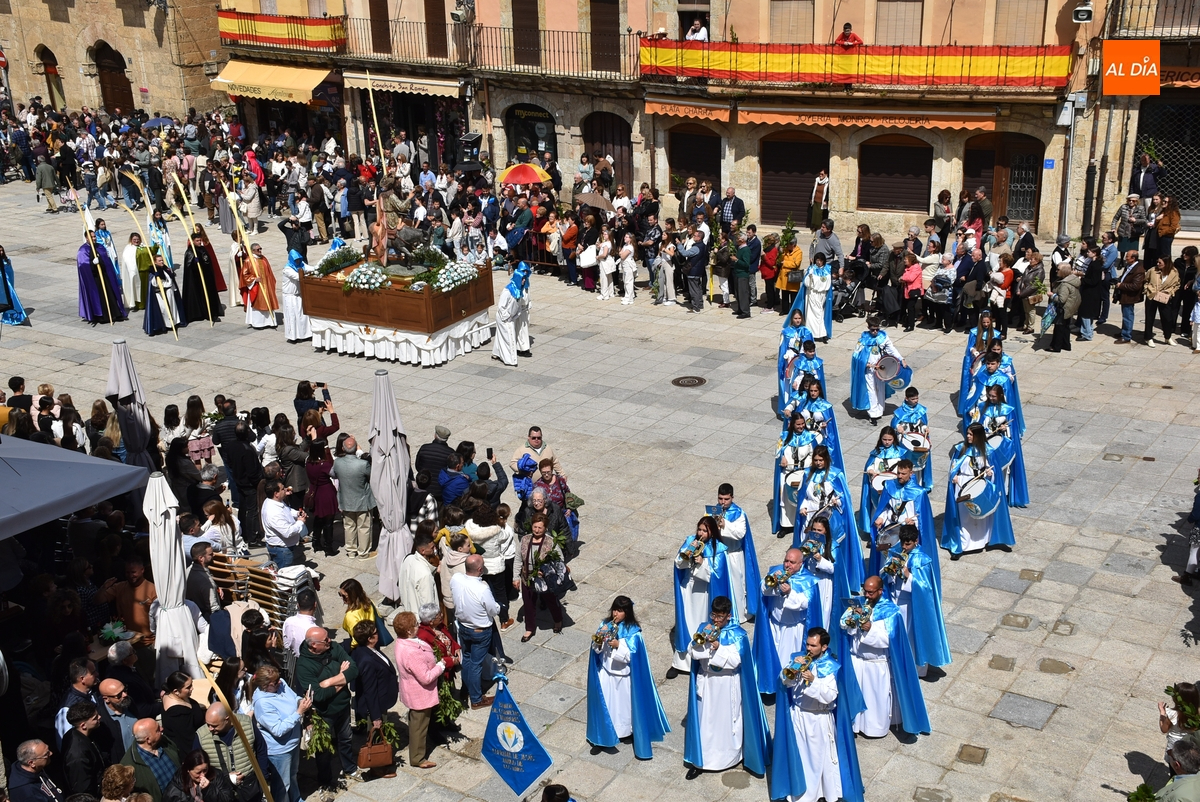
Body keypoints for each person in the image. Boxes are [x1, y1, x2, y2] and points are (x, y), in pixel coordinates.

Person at [768, 627, 864, 802]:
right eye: (807, 644)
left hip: (818, 718)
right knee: (801, 758)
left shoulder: (831, 667)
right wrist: (790, 669)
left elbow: (830, 695)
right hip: (799, 715)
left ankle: (822, 793)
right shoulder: (799, 659)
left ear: (824, 647)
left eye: (813, 645)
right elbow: (784, 682)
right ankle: (800, 793)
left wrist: (813, 681)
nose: (809, 649)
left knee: (819, 759)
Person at [682, 596, 769, 780]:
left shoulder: (738, 634)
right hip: (707, 682)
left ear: (728, 616)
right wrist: (703, 642)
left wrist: (718, 647)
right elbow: (692, 652)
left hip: (727, 683)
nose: (715, 620)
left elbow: (736, 660)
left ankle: (729, 758)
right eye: (713, 615)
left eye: (720, 617)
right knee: (705, 722)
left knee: (728, 721)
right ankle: (701, 761)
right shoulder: (703, 628)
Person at [838, 576, 929, 737]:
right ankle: (855, 725)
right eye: (865, 591)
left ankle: (875, 729)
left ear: (880, 591)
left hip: (876, 663)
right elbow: (843, 624)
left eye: (871, 592)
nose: (866, 595)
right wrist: (851, 620)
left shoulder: (891, 612)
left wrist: (869, 628)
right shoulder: (857, 603)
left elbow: (888, 640)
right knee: (855, 694)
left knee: (875, 700)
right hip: (856, 660)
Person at [585, 596, 670, 759]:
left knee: (624, 708)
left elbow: (633, 656)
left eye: (620, 611)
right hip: (606, 673)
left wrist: (618, 645)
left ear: (627, 612)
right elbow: (596, 650)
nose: (616, 613)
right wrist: (600, 640)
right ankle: (602, 738)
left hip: (623, 677)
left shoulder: (634, 632)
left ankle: (627, 732)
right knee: (607, 706)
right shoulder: (605, 624)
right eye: (615, 610)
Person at [293, 627, 364, 790]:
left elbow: (353, 669)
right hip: (323, 714)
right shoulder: (304, 666)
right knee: (323, 750)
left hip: (343, 705)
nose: (330, 641)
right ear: (313, 646)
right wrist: (342, 678)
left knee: (346, 739)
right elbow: (318, 696)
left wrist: (329, 682)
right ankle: (325, 782)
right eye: (325, 640)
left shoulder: (333, 647)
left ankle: (350, 769)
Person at [879, 525, 950, 678]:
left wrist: (907, 575)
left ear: (916, 541)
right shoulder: (897, 552)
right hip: (895, 600)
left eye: (908, 544)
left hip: (912, 604)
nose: (904, 547)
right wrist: (890, 572)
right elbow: (885, 575)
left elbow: (925, 587)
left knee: (912, 636)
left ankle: (916, 669)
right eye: (903, 542)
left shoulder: (922, 560)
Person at [751, 548, 820, 695]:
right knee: (772, 656)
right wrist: (773, 585)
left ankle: (787, 689)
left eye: (792, 562)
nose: (787, 565)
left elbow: (805, 603)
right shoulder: (777, 571)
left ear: (801, 564)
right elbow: (763, 589)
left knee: (786, 660)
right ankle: (771, 687)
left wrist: (789, 593)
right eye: (786, 561)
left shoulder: (808, 580)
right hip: (774, 625)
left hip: (793, 629)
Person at [940, 423, 1016, 556]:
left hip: (980, 485)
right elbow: (953, 466)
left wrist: (990, 474)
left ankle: (981, 542)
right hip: (963, 485)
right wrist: (954, 476)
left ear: (978, 436)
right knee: (964, 516)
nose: (968, 436)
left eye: (971, 434)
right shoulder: (961, 449)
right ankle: (963, 545)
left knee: (981, 515)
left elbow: (994, 470)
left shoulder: (988, 451)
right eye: (968, 434)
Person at [670, 516, 730, 674]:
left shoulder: (720, 549)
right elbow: (678, 563)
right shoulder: (690, 540)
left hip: (704, 593)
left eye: (705, 530)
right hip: (687, 588)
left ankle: (700, 660)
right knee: (685, 622)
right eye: (700, 529)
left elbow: (717, 576)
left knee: (700, 622)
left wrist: (703, 563)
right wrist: (687, 554)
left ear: (712, 532)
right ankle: (681, 663)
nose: (701, 533)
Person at [392, 612, 446, 770]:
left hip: (412, 691)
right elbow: (426, 677)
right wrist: (441, 665)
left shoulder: (403, 642)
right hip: (419, 695)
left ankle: (420, 749)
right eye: (415, 624)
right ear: (408, 631)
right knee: (418, 727)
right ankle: (417, 758)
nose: (418, 626)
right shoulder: (411, 653)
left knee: (418, 723)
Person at [251, 666, 309, 802]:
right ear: (265, 686)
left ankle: (296, 798)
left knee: (293, 775)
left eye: (278, 679)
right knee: (282, 785)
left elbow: (294, 697)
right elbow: (278, 729)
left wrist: (301, 701)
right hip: (279, 750)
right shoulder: (262, 703)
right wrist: (299, 712)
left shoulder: (281, 682)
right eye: (275, 682)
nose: (279, 682)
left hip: (293, 743)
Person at [449, 555, 498, 710]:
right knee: (476, 664)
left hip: (463, 627)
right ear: (479, 569)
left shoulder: (456, 579)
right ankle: (476, 699)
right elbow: (492, 609)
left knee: (467, 661)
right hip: (480, 631)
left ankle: (465, 691)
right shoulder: (482, 587)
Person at [349, 620, 398, 774]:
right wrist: (376, 716)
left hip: (380, 698)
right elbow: (370, 691)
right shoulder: (367, 661)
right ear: (370, 639)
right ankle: (378, 767)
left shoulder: (366, 650)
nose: (378, 634)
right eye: (376, 633)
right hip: (376, 703)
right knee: (376, 733)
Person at [713, 483, 762, 624]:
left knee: (737, 586)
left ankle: (739, 615)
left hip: (734, 554)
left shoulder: (739, 513)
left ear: (732, 497)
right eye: (720, 498)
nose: (723, 502)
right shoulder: (713, 511)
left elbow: (740, 533)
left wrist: (725, 525)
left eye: (726, 499)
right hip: (719, 555)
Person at [193, 703, 262, 802]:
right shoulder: (201, 736)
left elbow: (261, 749)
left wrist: (262, 777)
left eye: (214, 725)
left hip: (250, 787)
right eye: (207, 724)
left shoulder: (247, 725)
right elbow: (197, 766)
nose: (210, 729)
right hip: (221, 791)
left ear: (227, 719)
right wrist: (226, 778)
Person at [517, 514, 565, 641]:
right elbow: (518, 559)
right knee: (528, 603)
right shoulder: (525, 540)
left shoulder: (550, 542)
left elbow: (560, 560)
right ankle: (530, 628)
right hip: (527, 578)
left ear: (545, 528)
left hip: (545, 580)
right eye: (535, 527)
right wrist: (515, 577)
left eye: (540, 528)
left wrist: (547, 571)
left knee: (550, 600)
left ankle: (558, 620)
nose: (537, 530)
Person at [849, 317, 906, 424]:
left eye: (877, 329)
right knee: (871, 391)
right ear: (868, 328)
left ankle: (879, 410)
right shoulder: (863, 339)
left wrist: (901, 358)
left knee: (880, 389)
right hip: (868, 370)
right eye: (872, 330)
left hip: (881, 368)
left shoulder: (883, 337)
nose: (875, 332)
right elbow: (856, 355)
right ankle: (873, 414)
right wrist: (866, 364)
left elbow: (891, 349)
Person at [329, 436, 375, 559]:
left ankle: (351, 551)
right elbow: (372, 476)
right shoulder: (363, 464)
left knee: (349, 526)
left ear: (343, 448)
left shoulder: (337, 462)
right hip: (362, 500)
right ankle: (363, 552)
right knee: (364, 527)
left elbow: (333, 474)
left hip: (346, 499)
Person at [859, 427, 907, 537]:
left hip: (894, 486)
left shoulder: (899, 453)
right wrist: (870, 470)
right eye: (884, 439)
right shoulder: (876, 453)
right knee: (877, 509)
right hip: (877, 488)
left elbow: (903, 468)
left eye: (889, 440)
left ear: (894, 439)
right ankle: (874, 534)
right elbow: (870, 465)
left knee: (891, 509)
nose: (887, 442)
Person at [120, 719, 180, 802]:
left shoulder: (165, 742)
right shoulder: (129, 765)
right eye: (157, 730)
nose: (162, 728)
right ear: (148, 739)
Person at [78, 230, 126, 324]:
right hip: (94, 279)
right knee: (99, 297)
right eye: (91, 237)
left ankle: (115, 313)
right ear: (86, 238)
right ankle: (101, 316)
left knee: (109, 293)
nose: (94, 238)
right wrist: (92, 263)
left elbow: (107, 260)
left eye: (94, 236)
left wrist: (101, 262)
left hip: (104, 275)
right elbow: (82, 265)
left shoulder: (100, 247)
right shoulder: (83, 250)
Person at [61, 702, 106, 797]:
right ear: (83, 726)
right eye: (95, 718)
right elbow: (82, 788)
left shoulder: (74, 734)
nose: (100, 717)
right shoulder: (78, 755)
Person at [891, 387, 933, 488]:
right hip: (906, 443)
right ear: (906, 398)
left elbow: (922, 423)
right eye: (913, 399)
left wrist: (925, 428)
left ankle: (917, 484)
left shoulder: (921, 410)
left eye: (917, 398)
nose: (916, 401)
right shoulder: (900, 411)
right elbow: (894, 423)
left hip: (918, 440)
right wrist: (898, 427)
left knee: (918, 463)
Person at [261, 479, 307, 568]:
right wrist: (300, 522)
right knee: (284, 575)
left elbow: (287, 510)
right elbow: (287, 532)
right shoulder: (273, 512)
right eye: (282, 489)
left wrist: (297, 513)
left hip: (284, 548)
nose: (286, 490)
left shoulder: (275, 501)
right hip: (282, 551)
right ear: (276, 494)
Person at [492, 261, 531, 366]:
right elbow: (501, 306)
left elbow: (517, 304)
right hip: (504, 318)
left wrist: (516, 314)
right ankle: (510, 360)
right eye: (522, 278)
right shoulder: (507, 291)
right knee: (509, 337)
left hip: (511, 317)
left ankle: (496, 353)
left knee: (501, 336)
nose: (524, 280)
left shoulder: (520, 289)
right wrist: (507, 317)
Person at [234, 241, 278, 329]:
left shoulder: (263, 258)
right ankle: (258, 323)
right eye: (258, 249)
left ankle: (270, 321)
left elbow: (269, 272)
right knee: (258, 304)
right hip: (256, 286)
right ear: (253, 251)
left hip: (266, 285)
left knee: (268, 301)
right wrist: (254, 279)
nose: (260, 251)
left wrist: (270, 282)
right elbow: (244, 274)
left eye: (260, 249)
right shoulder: (248, 260)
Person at [180, 233, 221, 324]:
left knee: (208, 295)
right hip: (196, 280)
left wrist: (204, 261)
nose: (199, 242)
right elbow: (188, 267)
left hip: (206, 278)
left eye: (200, 240)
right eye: (197, 241)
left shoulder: (203, 249)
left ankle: (211, 313)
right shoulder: (190, 252)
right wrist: (194, 263)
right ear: (193, 241)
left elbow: (208, 262)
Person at [399, 533, 439, 618]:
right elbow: (428, 606)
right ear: (423, 551)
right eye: (432, 548)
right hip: (421, 620)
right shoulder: (425, 574)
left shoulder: (407, 559)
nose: (434, 550)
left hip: (408, 611)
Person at [1144, 255, 1181, 347]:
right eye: (1158, 262)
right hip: (1152, 296)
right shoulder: (1153, 270)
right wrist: (1147, 289)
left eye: (1160, 263)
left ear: (1166, 263)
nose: (1158, 264)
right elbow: (1146, 281)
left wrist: (1170, 292)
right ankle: (1148, 338)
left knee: (1167, 318)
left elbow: (1177, 285)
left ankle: (1167, 337)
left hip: (1164, 297)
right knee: (1149, 318)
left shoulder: (1174, 272)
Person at [798, 252, 833, 341]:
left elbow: (827, 283)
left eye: (820, 260)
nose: (818, 262)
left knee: (820, 313)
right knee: (811, 315)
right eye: (817, 260)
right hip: (812, 294)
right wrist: (809, 276)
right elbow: (806, 283)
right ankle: (812, 333)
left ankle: (821, 333)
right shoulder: (811, 269)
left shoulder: (827, 269)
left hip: (821, 294)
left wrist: (818, 283)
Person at [184, 542, 223, 621]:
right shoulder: (206, 583)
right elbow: (214, 608)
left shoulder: (188, 570)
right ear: (201, 558)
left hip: (191, 615)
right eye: (210, 554)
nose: (214, 555)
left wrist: (216, 587)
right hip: (206, 619)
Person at [282, 589, 318, 657]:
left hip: (294, 661)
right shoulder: (315, 630)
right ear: (315, 605)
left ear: (298, 605)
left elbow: (286, 644)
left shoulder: (288, 621)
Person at [0, 244, 27, 325]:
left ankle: (16, 317)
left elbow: (10, 273)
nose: (1, 252)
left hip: (6, 284)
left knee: (12, 299)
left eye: (2, 250)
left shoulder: (6, 260)